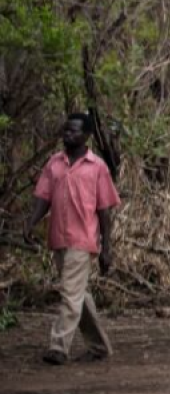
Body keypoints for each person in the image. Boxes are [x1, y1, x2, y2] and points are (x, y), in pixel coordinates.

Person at [18, 113, 121, 365]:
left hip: (83, 238)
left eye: (73, 131)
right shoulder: (54, 163)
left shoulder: (97, 166)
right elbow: (44, 197)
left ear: (86, 136)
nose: (67, 135)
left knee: (69, 292)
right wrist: (31, 223)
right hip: (58, 238)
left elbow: (104, 210)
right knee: (78, 295)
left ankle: (58, 346)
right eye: (65, 130)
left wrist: (107, 248)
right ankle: (99, 347)